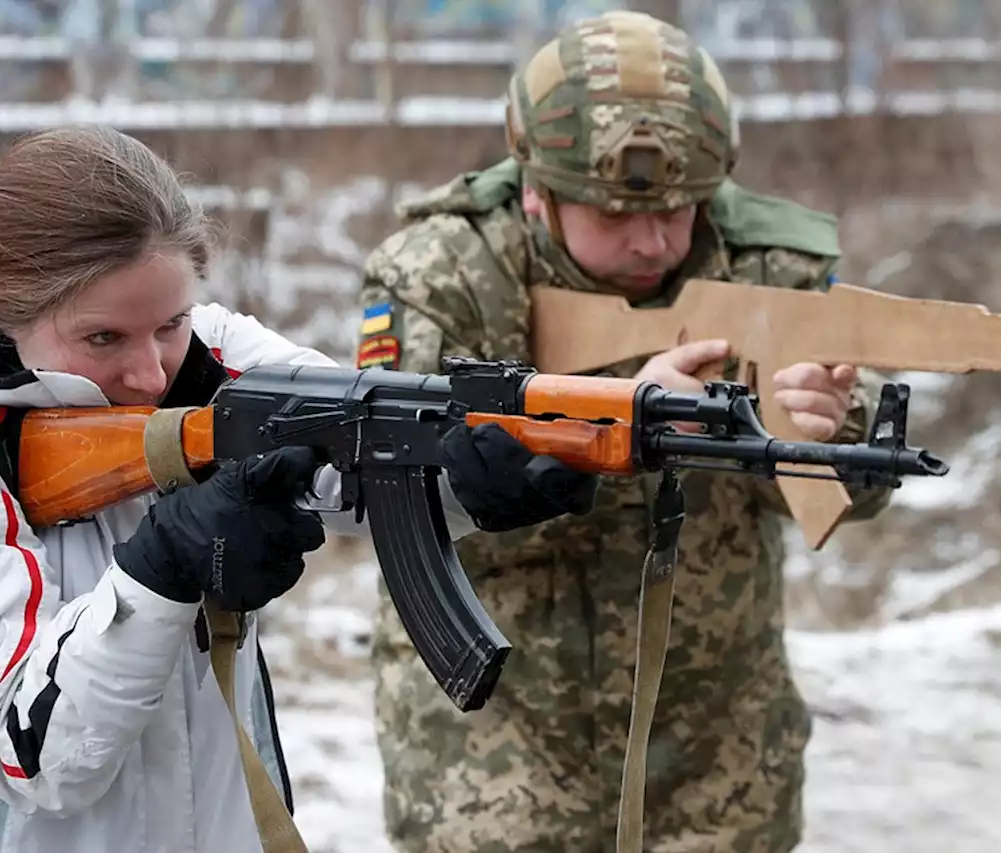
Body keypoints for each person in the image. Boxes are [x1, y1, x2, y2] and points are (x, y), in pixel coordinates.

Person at [0, 125, 599, 853]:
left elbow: (356, 454)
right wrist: (163, 568)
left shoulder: (214, 356)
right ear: (7, 309)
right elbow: (29, 750)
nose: (150, 371)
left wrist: (471, 478)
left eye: (170, 322)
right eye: (104, 337)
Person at [356, 11, 894, 853]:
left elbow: (856, 489)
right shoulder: (442, 272)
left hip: (718, 755)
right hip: (496, 752)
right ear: (538, 189)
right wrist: (614, 418)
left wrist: (830, 428)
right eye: (613, 214)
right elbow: (403, 491)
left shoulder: (769, 263)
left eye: (679, 211)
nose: (652, 240)